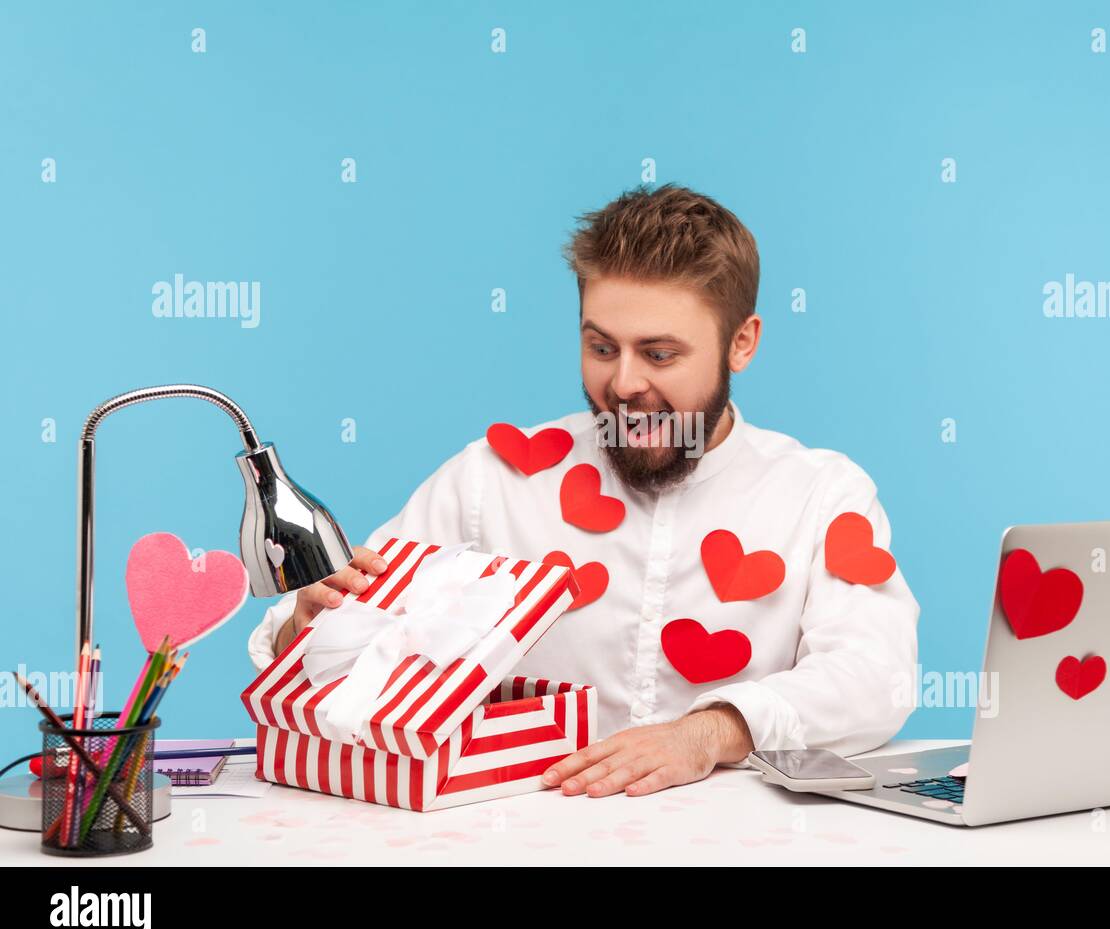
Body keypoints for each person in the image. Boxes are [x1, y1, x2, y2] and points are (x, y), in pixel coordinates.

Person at [248, 183, 920, 798]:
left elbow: (875, 678)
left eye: (659, 354)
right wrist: (312, 625)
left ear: (741, 343)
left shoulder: (821, 494)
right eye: (602, 347)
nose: (625, 384)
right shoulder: (494, 478)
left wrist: (712, 731)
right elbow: (334, 660)